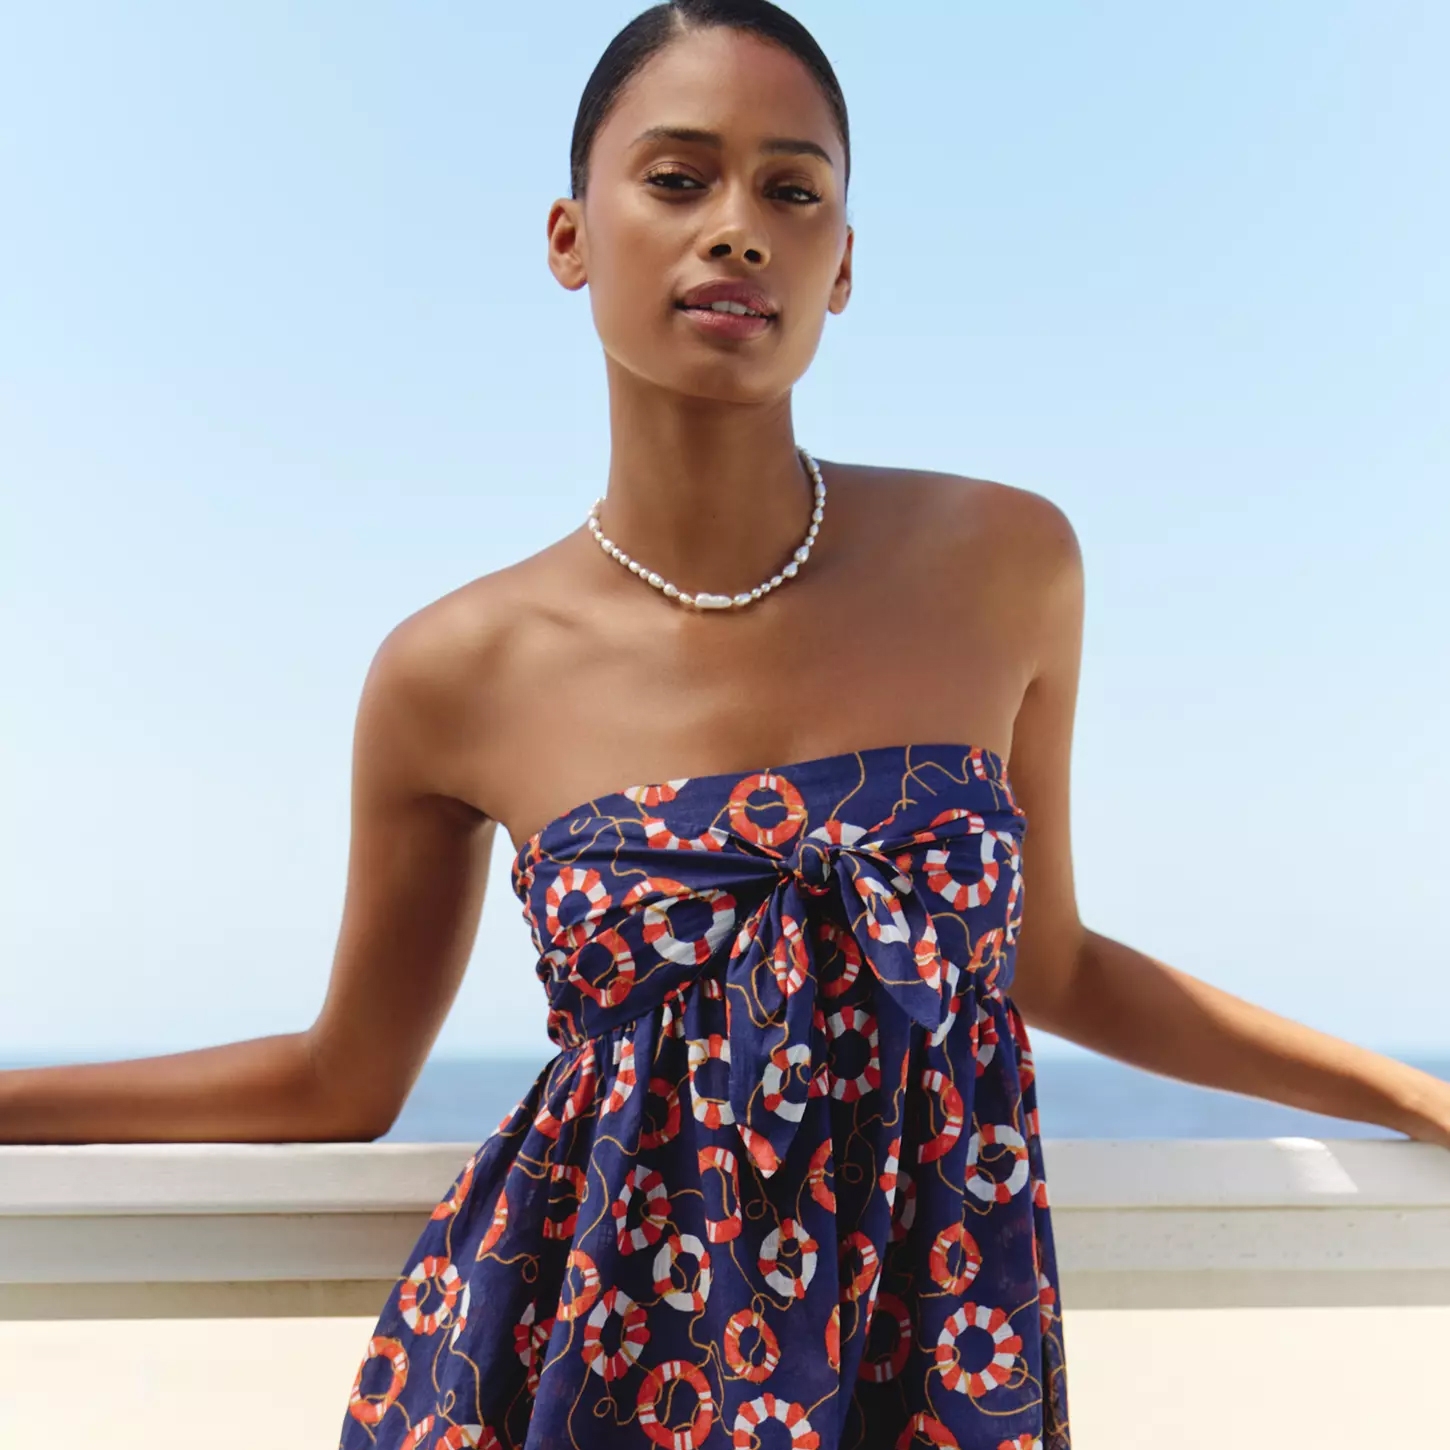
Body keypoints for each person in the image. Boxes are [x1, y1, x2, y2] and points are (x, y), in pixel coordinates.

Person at [5, 2, 1449, 1447]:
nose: (739, 229)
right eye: (679, 178)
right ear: (570, 237)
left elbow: (1046, 962)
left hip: (927, 1344)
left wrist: (1399, 1086)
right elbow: (342, 1079)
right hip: (582, 1365)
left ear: (840, 266)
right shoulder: (453, 669)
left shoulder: (1005, 564)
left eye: (792, 189)